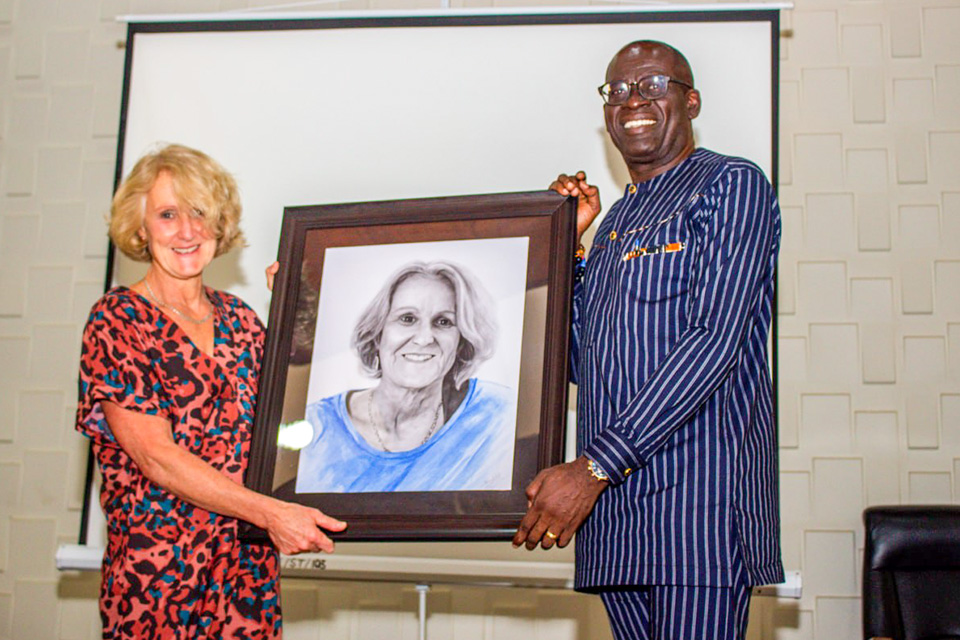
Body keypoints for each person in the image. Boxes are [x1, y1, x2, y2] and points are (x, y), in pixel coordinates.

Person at [513, 41, 783, 639]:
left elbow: (715, 340)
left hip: (697, 508)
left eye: (653, 85)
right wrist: (569, 248)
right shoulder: (611, 226)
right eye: (618, 90)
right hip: (617, 517)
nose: (632, 100)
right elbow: (583, 362)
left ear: (690, 101)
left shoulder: (728, 185)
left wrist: (592, 468)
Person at [76, 144, 346, 639]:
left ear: (220, 225)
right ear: (140, 228)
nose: (187, 231)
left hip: (245, 572)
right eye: (167, 214)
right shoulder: (117, 320)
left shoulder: (241, 321)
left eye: (200, 213)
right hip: (157, 578)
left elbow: (287, 432)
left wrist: (298, 311)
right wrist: (271, 513)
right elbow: (156, 457)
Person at [294, 261, 515, 493]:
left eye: (444, 322)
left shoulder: (497, 416)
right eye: (407, 319)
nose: (424, 338)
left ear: (461, 342)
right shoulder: (315, 426)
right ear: (378, 334)